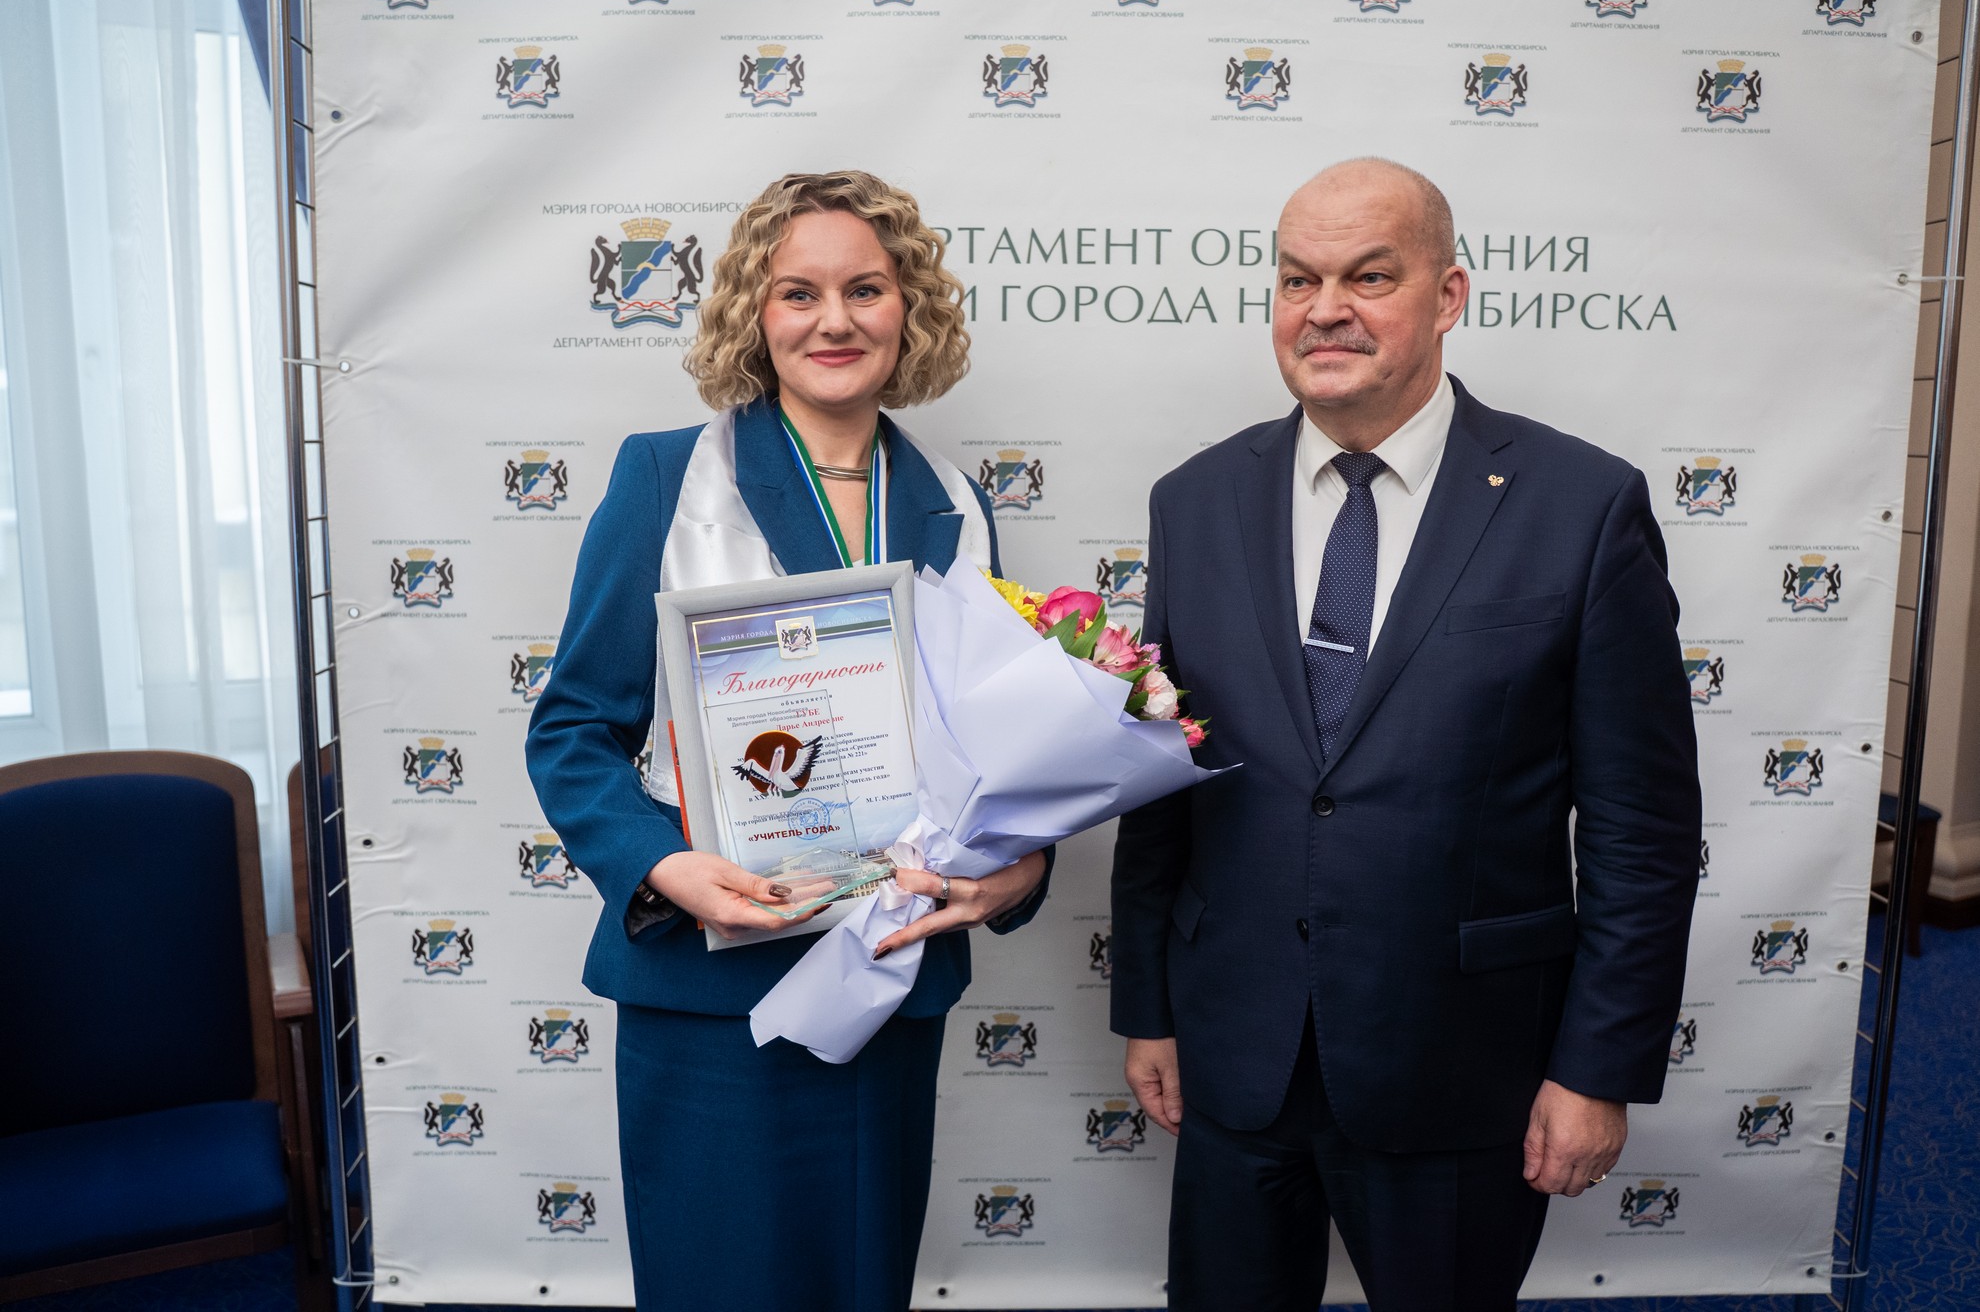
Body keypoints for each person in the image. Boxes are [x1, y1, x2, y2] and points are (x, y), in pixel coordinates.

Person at [1109, 158, 1700, 1310]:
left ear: (1449, 295)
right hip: (1236, 1047)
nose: (1324, 308)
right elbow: (1161, 774)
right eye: (1298, 279)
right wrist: (1147, 1006)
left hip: (1461, 1063)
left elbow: (1643, 828)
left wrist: (1597, 1067)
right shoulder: (1194, 500)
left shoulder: (1582, 507)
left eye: (1369, 277)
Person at [526, 170, 1050, 1312]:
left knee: (863, 1281)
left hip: (890, 969)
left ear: (910, 306)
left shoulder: (955, 499)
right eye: (798, 292)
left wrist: (1021, 865)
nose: (834, 320)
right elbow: (573, 728)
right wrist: (664, 867)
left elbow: (995, 744)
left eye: (866, 289)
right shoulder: (669, 476)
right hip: (713, 984)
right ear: (753, 314)